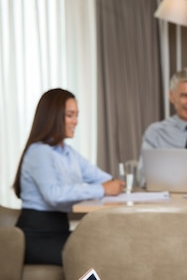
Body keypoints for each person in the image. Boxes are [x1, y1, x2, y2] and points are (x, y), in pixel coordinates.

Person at [12, 88, 124, 265]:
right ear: (53, 117)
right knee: (96, 254)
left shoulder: (67, 153)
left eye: (77, 115)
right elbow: (54, 195)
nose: (76, 121)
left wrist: (109, 185)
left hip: (59, 231)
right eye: (70, 115)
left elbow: (104, 178)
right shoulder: (39, 152)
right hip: (37, 237)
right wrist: (102, 189)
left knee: (107, 245)